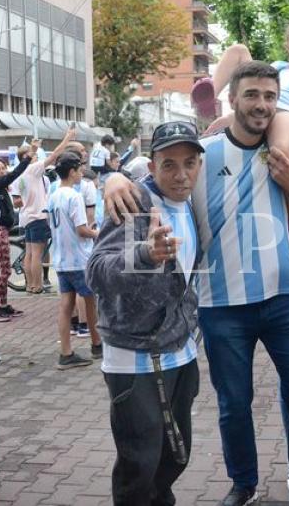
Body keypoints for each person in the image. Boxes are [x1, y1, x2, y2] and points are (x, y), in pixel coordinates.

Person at [104, 61, 289, 506]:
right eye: (252, 95)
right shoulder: (202, 155)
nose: (262, 105)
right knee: (233, 406)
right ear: (233, 100)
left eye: (269, 96)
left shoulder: (288, 149)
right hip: (222, 304)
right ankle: (243, 485)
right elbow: (157, 179)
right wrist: (110, 178)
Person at [86, 120, 205, 506]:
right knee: (139, 463)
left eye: (190, 163)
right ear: (151, 167)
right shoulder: (133, 204)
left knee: (175, 453)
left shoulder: (192, 203)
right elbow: (96, 273)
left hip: (181, 351)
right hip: (135, 357)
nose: (181, 174)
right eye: (169, 164)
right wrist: (144, 255)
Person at [193, 17, 289, 168]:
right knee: (238, 50)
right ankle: (210, 97)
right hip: (264, 100)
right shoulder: (279, 65)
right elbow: (261, 80)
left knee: (280, 150)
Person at [46, 152, 102, 369]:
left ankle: (66, 352)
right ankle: (97, 344)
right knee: (90, 303)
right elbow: (81, 230)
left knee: (66, 305)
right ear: (72, 172)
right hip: (79, 259)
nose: (81, 174)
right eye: (79, 170)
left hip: (61, 259)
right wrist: (97, 233)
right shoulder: (74, 196)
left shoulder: (53, 195)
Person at [12, 129, 76, 293]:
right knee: (37, 254)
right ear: (28, 158)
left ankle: (30, 285)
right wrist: (67, 138)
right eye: (34, 155)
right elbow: (54, 155)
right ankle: (38, 285)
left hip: (26, 216)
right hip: (37, 215)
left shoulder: (18, 173)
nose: (37, 157)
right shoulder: (32, 170)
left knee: (30, 253)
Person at [0, 141, 34, 318]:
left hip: (5, 229)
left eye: (3, 168)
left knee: (5, 270)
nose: (2, 171)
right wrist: (27, 159)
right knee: (5, 271)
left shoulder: (2, 187)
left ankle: (2, 304)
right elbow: (15, 174)